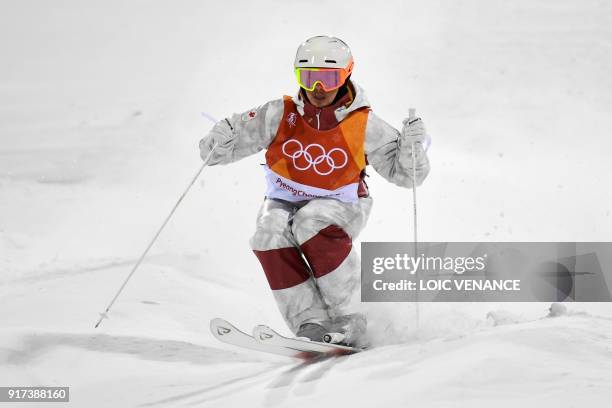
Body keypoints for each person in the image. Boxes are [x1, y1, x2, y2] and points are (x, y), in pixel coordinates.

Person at [199, 35, 430, 346]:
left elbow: (406, 176)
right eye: (309, 78)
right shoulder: (279, 114)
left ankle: (352, 314)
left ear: (346, 74)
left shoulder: (363, 124)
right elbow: (217, 154)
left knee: (311, 221)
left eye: (329, 78)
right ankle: (312, 321)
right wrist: (220, 138)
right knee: (268, 233)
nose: (318, 89)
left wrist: (411, 149)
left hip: (343, 201)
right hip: (283, 199)